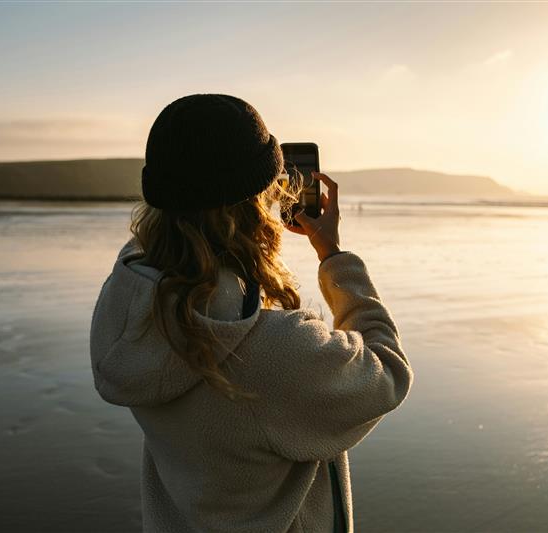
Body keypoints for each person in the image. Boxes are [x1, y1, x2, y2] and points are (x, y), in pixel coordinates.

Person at [89, 94, 413, 533]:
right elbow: (388, 372)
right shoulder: (274, 351)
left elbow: (158, 246)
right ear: (254, 205)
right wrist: (333, 255)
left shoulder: (131, 310)